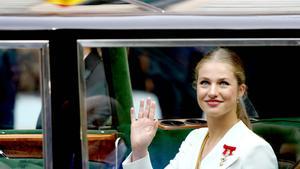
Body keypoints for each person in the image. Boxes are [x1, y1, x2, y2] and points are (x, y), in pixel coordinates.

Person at [122, 48, 278, 169]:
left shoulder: (256, 149)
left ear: (240, 91)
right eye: (205, 83)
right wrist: (140, 150)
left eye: (223, 83)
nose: (212, 92)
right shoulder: (194, 138)